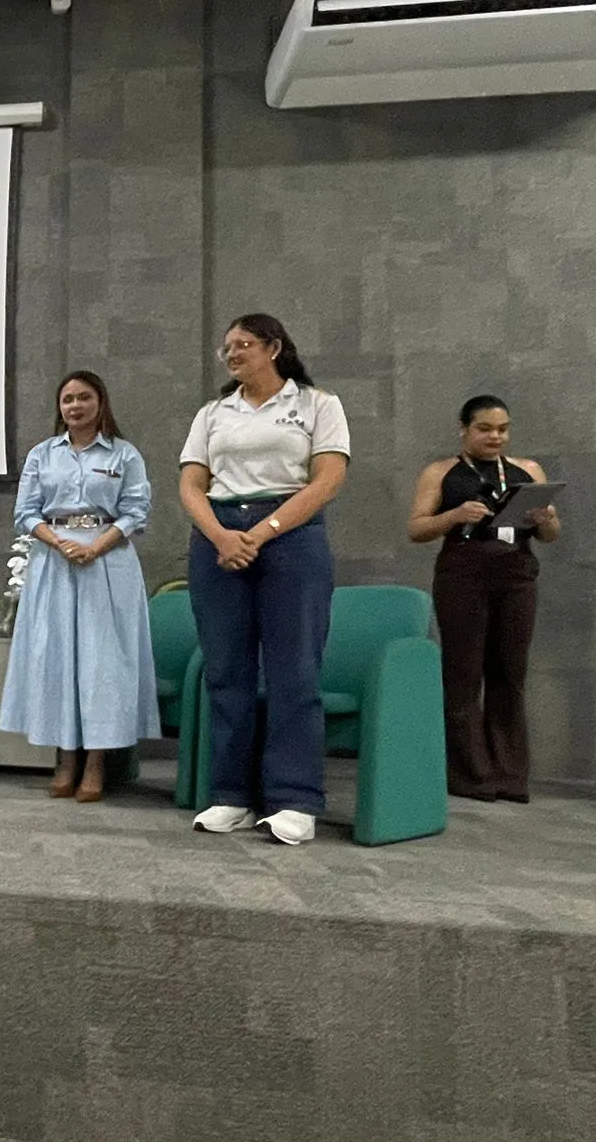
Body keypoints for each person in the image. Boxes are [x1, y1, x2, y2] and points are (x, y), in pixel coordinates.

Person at [180, 313, 350, 846]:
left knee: (293, 671)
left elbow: (327, 481)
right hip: (218, 537)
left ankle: (294, 800)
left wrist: (263, 531)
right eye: (226, 347)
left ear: (274, 348)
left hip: (292, 536)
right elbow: (191, 484)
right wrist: (222, 536)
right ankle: (230, 794)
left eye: (244, 345)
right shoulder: (214, 413)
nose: (232, 355)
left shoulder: (317, 404)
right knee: (226, 673)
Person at [0, 372, 159, 801]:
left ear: (100, 403)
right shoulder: (42, 455)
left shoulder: (124, 455)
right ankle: (65, 761)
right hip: (54, 562)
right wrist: (59, 543)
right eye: (68, 399)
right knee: (58, 660)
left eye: (84, 398)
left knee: (101, 665)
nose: (75, 406)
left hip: (108, 563)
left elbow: (136, 511)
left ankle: (96, 765)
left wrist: (96, 546)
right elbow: (25, 513)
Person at [406, 395, 559, 803]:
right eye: (485, 429)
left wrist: (546, 519)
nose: (495, 437)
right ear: (464, 428)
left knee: (510, 673)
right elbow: (416, 529)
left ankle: (510, 774)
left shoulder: (527, 471)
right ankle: (470, 775)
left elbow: (550, 535)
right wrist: (452, 517)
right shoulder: (441, 472)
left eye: (502, 429)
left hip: (516, 575)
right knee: (463, 673)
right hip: (463, 576)